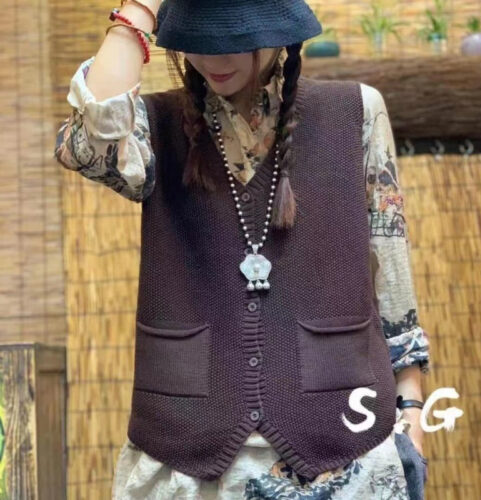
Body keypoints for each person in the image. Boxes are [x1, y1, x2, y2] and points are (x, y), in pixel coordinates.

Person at [54, 0, 432, 498]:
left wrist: (412, 410)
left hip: (345, 449)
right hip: (186, 454)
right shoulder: (153, 123)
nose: (214, 57)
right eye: (198, 38)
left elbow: (391, 263)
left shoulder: (356, 110)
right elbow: (91, 145)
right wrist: (141, 9)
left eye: (236, 38)